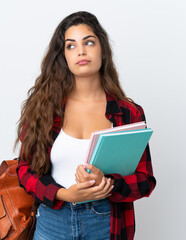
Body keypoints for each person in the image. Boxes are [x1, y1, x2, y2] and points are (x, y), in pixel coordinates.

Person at [14, 11, 156, 240]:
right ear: (63, 56)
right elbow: (24, 171)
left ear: (102, 49)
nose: (81, 51)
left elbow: (145, 181)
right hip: (52, 222)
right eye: (71, 46)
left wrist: (108, 182)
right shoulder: (44, 109)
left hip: (105, 223)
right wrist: (64, 194)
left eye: (89, 42)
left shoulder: (128, 113)